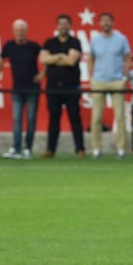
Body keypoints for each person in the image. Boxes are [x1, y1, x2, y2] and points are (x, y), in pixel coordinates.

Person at [0, 19, 42, 159]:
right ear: (14, 32)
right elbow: (0, 64)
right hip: (17, 89)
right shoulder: (9, 46)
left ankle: (28, 149)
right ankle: (16, 148)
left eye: (22, 30)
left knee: (31, 119)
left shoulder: (34, 46)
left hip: (33, 88)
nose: (20, 33)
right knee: (17, 119)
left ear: (26, 32)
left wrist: (42, 74)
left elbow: (46, 59)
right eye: (17, 30)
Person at [40, 14, 85, 158]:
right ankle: (50, 149)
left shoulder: (75, 42)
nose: (63, 26)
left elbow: (71, 61)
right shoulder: (49, 42)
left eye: (66, 23)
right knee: (53, 119)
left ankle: (80, 149)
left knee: (75, 118)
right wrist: (60, 56)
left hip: (71, 86)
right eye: (61, 23)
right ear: (57, 26)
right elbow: (43, 59)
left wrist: (53, 59)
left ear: (70, 26)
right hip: (53, 87)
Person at [89, 12, 132, 159]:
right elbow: (91, 59)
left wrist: (124, 77)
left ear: (112, 23)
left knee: (120, 117)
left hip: (116, 81)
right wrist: (91, 78)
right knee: (96, 118)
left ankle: (121, 149)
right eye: (103, 21)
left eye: (108, 20)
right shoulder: (95, 40)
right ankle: (96, 148)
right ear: (99, 23)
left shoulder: (121, 39)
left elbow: (127, 58)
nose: (106, 23)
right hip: (99, 81)